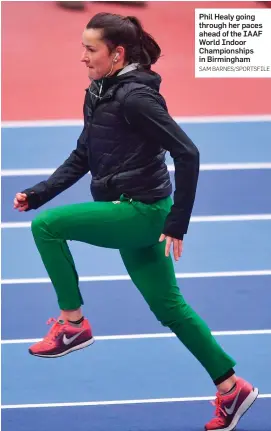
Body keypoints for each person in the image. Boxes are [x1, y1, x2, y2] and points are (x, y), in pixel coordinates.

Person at [13, 12, 258, 431]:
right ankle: (231, 386)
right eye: (83, 49)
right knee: (170, 308)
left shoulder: (135, 99)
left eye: (91, 50)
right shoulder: (98, 92)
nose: (83, 58)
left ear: (117, 53)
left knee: (48, 227)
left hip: (143, 214)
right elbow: (83, 155)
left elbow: (188, 153)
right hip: (131, 211)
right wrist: (40, 193)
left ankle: (72, 325)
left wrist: (178, 222)